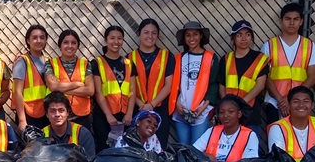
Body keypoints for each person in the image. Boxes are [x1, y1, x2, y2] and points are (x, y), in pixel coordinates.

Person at [262, 3, 315, 124]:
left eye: (296, 19)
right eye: (287, 19)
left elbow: (312, 76)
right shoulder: (269, 45)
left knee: (298, 139)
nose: (291, 23)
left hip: (299, 102)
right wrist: (281, 100)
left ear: (301, 21)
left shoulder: (309, 46)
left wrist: (291, 99)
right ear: (281, 20)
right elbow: (265, 77)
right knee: (276, 138)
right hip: (274, 101)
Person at [169, 21, 220, 145]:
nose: (192, 38)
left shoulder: (211, 57)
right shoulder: (178, 58)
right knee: (183, 146)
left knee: (198, 148)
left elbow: (214, 84)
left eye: (195, 34)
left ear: (201, 36)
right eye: (188, 35)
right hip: (181, 109)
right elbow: (172, 84)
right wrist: (176, 103)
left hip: (202, 110)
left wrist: (204, 106)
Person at [130, 18, 175, 149]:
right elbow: (128, 87)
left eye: (154, 33)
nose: (150, 36)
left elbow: (169, 85)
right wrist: (141, 105)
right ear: (139, 34)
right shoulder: (129, 57)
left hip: (160, 110)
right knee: (136, 149)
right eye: (146, 32)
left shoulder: (167, 56)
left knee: (158, 150)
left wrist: (152, 104)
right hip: (137, 110)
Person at [217, 20, 268, 134]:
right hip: (229, 115)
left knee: (249, 148)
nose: (244, 38)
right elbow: (222, 86)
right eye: (239, 35)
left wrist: (241, 105)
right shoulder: (226, 59)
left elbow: (260, 85)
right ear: (233, 38)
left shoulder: (260, 58)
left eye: (248, 34)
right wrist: (229, 107)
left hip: (251, 113)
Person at [92, 25, 137, 152]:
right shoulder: (97, 63)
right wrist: (108, 115)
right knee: (104, 149)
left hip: (125, 117)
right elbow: (98, 92)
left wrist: (129, 113)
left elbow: (133, 92)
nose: (116, 42)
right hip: (103, 116)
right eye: (112, 38)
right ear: (106, 40)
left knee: (125, 150)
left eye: (119, 38)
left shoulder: (129, 63)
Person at [267, 86, 315, 162]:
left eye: (306, 101)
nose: (301, 105)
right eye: (296, 101)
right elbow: (278, 161)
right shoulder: (278, 128)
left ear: (312, 105)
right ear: (289, 105)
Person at [45, 29, 95, 130]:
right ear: (60, 45)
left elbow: (90, 90)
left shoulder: (85, 64)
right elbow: (53, 86)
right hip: (58, 115)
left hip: (82, 116)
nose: (70, 46)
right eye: (66, 42)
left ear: (77, 46)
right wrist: (78, 84)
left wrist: (61, 87)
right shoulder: (50, 63)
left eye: (73, 43)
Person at [194, 95, 259, 162]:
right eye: (221, 112)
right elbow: (193, 152)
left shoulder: (249, 135)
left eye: (230, 111)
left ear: (239, 114)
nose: (225, 115)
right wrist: (206, 156)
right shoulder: (212, 131)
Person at [12, 24, 50, 132]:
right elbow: (18, 92)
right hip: (29, 114)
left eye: (42, 37)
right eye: (34, 38)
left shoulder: (48, 61)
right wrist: (22, 120)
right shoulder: (22, 61)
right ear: (28, 41)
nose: (39, 41)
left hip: (46, 112)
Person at [42, 91, 96, 159]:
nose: (57, 115)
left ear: (67, 112)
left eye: (61, 110)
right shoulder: (41, 136)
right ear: (47, 114)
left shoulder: (82, 133)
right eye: (52, 111)